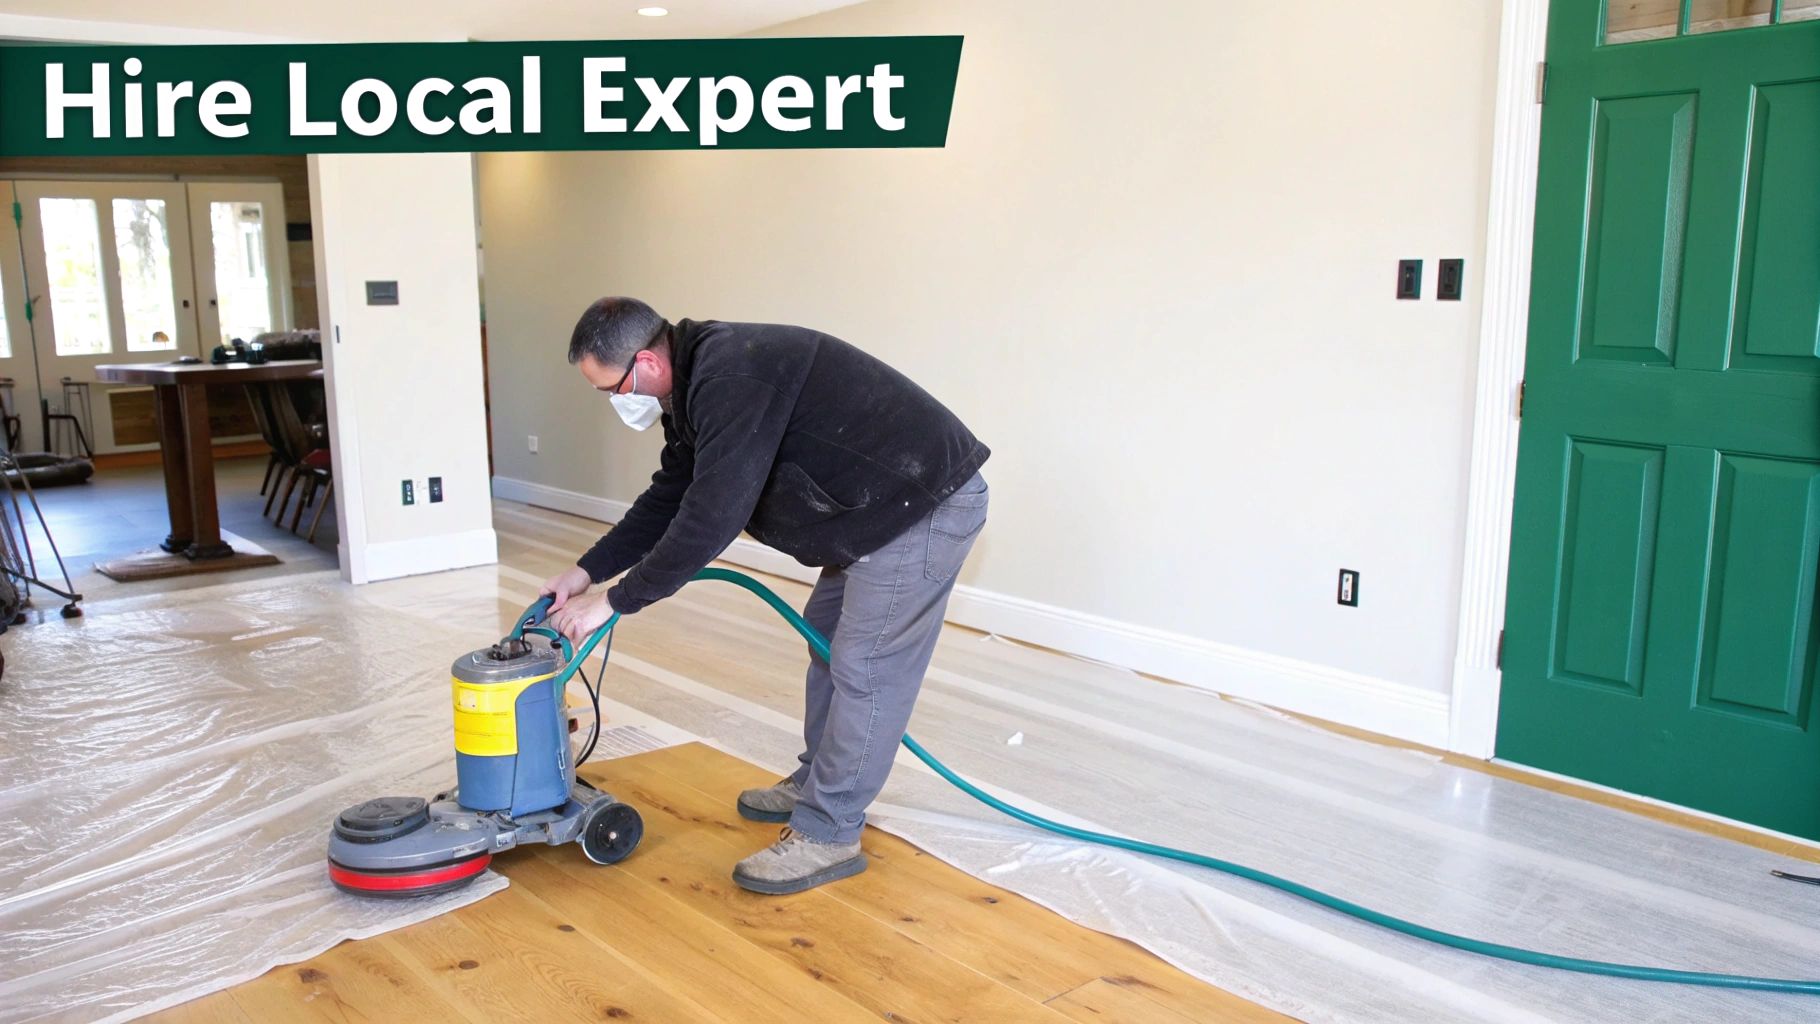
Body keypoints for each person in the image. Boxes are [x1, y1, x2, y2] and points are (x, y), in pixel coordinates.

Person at [543, 297, 990, 894]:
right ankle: (818, 780)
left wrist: (616, 600)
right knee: (827, 636)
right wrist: (584, 572)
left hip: (921, 505)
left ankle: (829, 831)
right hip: (869, 509)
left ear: (646, 361)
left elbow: (711, 517)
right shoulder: (694, 386)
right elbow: (672, 494)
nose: (615, 401)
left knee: (866, 666)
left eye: (612, 388)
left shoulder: (732, 376)